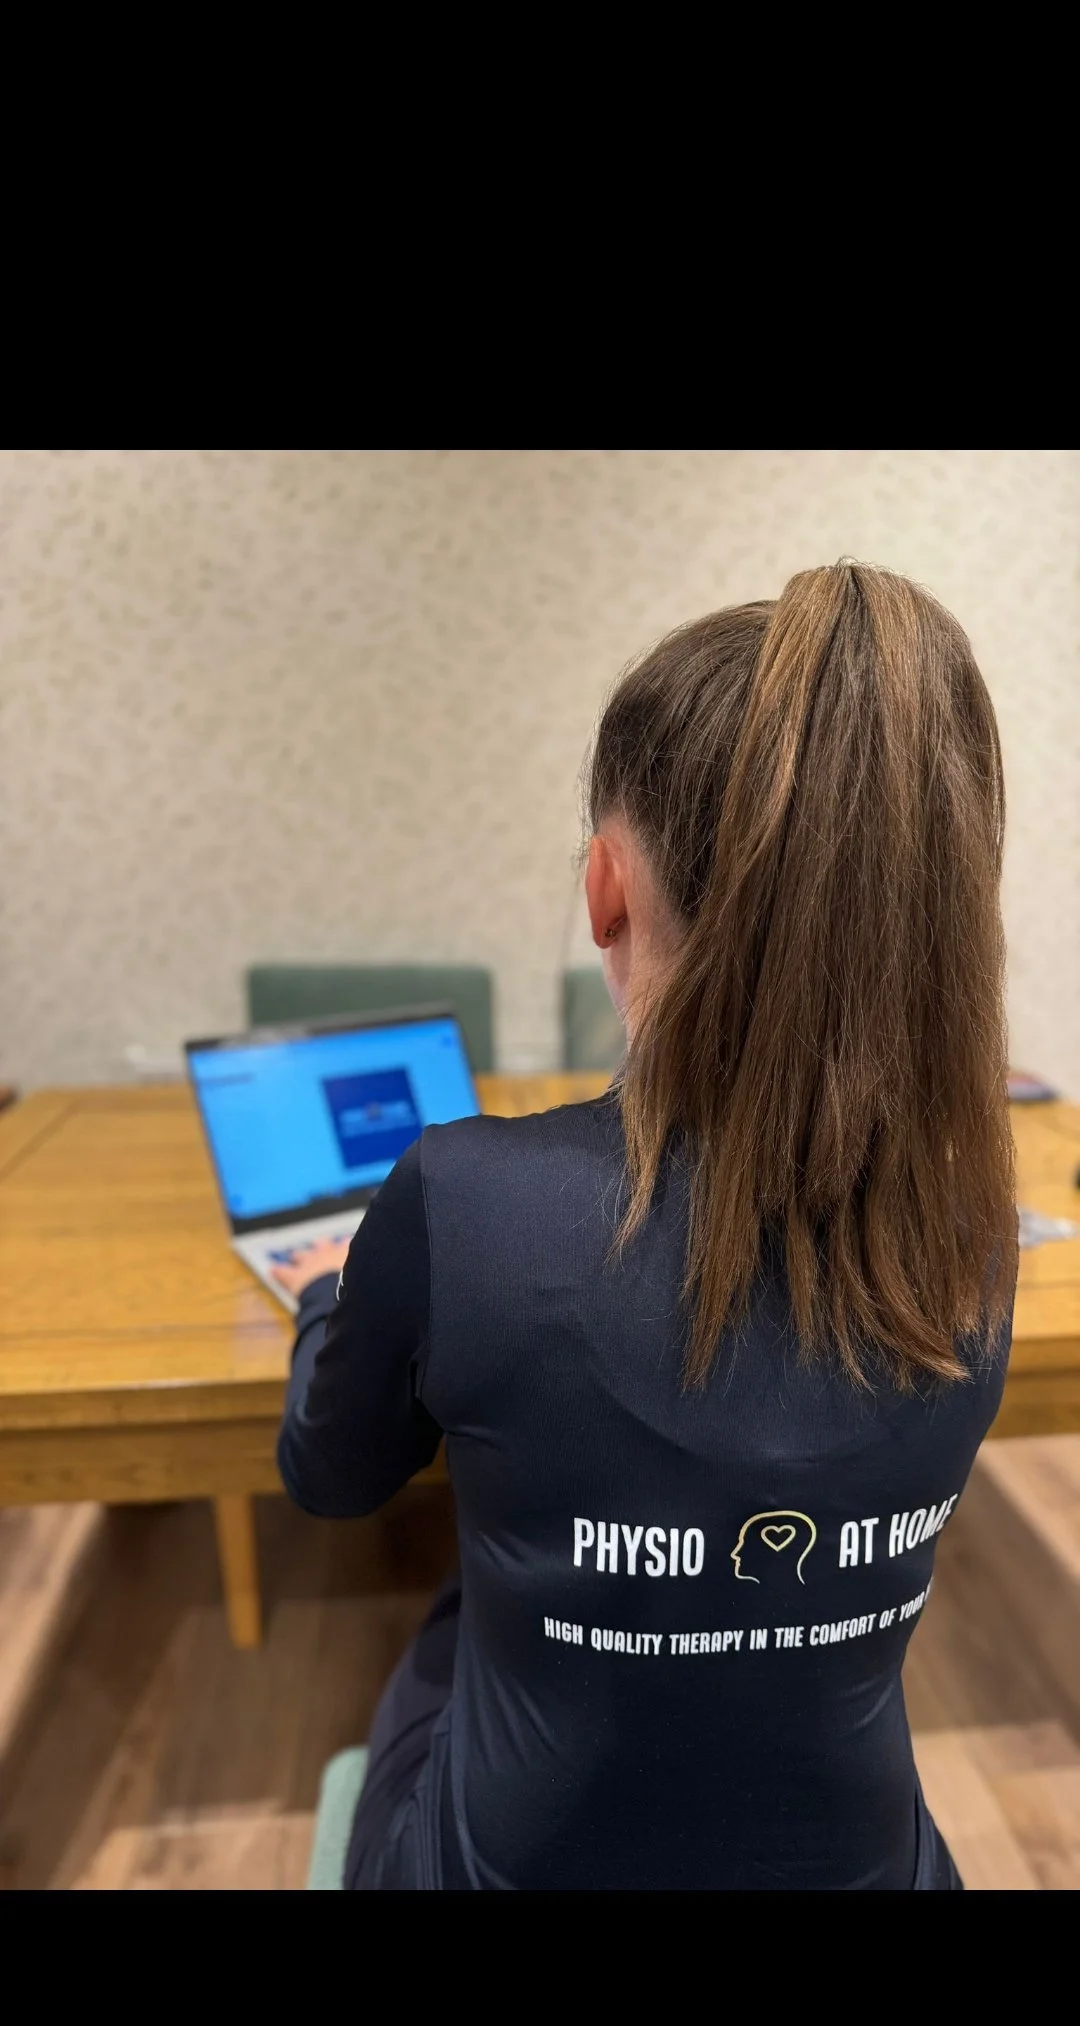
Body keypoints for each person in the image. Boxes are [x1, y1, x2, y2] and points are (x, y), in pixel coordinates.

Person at [272, 561, 1017, 1890]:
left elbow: (331, 1476)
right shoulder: (973, 1233)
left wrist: (338, 1295)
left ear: (607, 889)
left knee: (453, 1618)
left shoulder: (467, 1201)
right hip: (872, 1863)